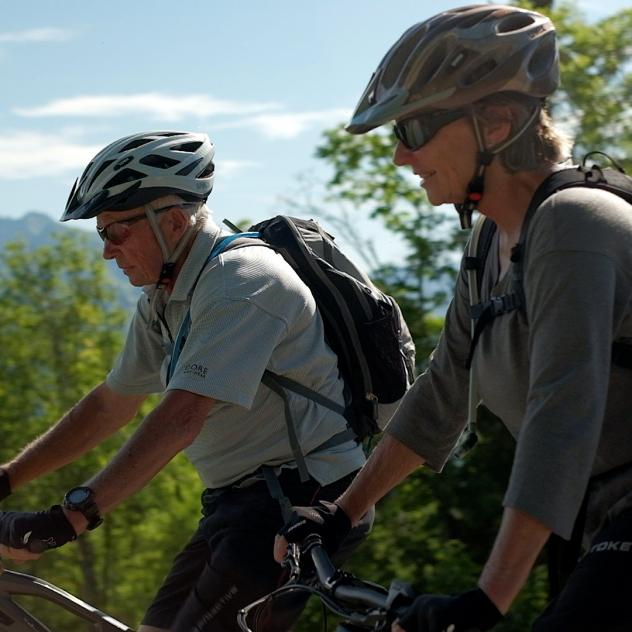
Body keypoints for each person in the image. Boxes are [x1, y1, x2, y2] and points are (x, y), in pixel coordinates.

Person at [274, 5, 632, 631]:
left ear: (495, 122)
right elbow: (443, 393)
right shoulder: (489, 243)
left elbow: (562, 416)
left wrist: (485, 601)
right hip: (592, 510)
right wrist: (341, 511)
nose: (400, 158)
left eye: (412, 131)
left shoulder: (575, 224)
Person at [0, 130, 374, 631]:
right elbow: (112, 404)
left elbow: (180, 419)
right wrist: (7, 478)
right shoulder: (165, 296)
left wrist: (71, 516)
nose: (108, 252)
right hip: (238, 502)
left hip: (303, 499)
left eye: (115, 232)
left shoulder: (243, 282)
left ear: (172, 221)